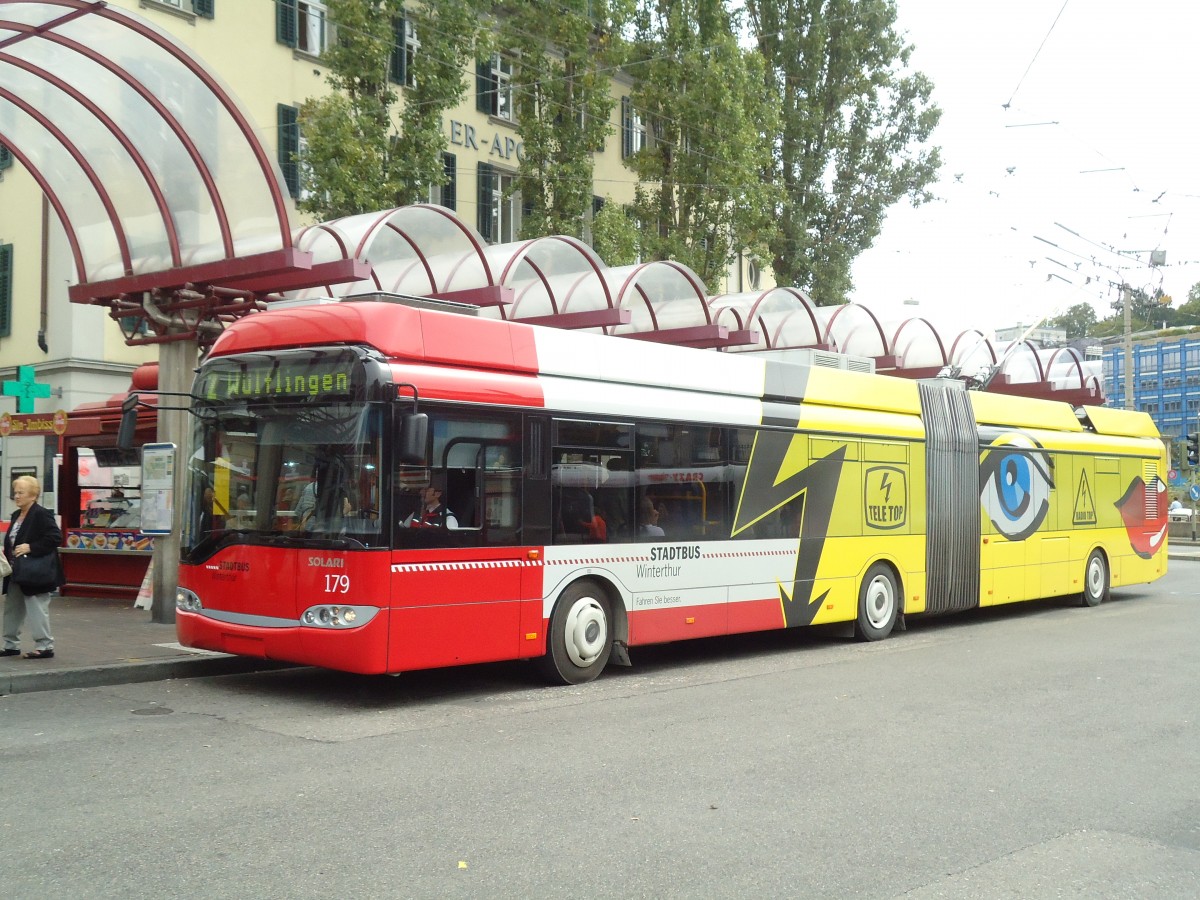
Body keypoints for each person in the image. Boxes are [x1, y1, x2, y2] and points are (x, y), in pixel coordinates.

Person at [2, 475, 63, 660]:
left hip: (36, 572)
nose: (17, 496)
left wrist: (31, 547)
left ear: (33, 495)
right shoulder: (16, 515)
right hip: (16, 571)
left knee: (37, 607)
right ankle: (10, 645)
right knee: (12, 608)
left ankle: (45, 646)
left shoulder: (41, 513)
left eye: (21, 492)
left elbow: (55, 537)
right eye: (15, 492)